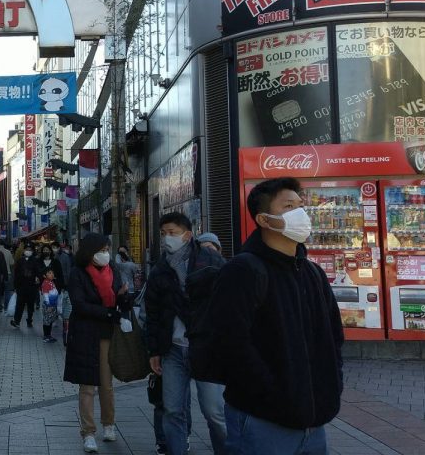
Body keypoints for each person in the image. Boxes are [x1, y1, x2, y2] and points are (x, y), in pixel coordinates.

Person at [209, 178, 344, 455]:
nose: (301, 213)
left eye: (300, 205)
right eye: (289, 206)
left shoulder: (312, 273)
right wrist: (271, 393)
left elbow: (333, 337)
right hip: (262, 422)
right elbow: (230, 343)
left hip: (314, 422)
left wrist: (330, 386)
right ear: (265, 220)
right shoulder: (243, 270)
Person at [145, 212, 228, 455]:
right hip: (172, 350)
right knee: (172, 410)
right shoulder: (160, 269)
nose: (167, 239)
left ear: (187, 235)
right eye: (163, 234)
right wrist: (154, 351)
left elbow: (228, 303)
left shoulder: (209, 260)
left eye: (172, 233)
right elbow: (153, 313)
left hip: (206, 348)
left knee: (214, 411)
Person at [63, 232, 131, 453]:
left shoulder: (113, 271)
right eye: (101, 250)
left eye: (106, 249)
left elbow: (119, 301)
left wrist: (124, 298)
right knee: (87, 386)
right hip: (84, 334)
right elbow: (80, 305)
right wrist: (110, 314)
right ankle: (88, 432)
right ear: (89, 252)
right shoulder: (78, 273)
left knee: (106, 383)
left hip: (106, 333)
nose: (105, 254)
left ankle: (109, 424)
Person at [11, 242, 42, 328]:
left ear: (32, 251)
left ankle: (29, 320)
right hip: (21, 286)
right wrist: (15, 286)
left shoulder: (35, 261)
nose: (28, 251)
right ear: (24, 250)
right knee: (19, 304)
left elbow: (39, 272)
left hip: (32, 286)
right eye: (27, 249)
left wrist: (38, 278)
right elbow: (16, 274)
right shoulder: (20, 260)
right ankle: (16, 321)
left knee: (30, 305)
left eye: (30, 250)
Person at [40, 267, 60, 343]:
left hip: (52, 304)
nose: (51, 274)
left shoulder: (51, 282)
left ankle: (49, 335)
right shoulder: (46, 283)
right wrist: (48, 304)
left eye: (52, 273)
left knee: (50, 320)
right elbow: (45, 294)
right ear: (44, 276)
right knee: (47, 321)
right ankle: (46, 336)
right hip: (48, 305)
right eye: (49, 273)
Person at [0, 240, 16, 313]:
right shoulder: (8, 252)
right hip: (8, 274)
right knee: (7, 292)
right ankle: (6, 307)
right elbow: (12, 263)